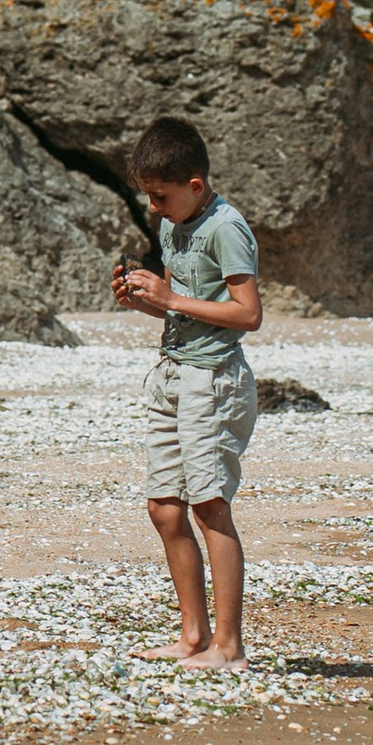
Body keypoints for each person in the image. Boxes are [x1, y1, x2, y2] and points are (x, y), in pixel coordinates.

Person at [112, 113, 262, 667]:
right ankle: (193, 637)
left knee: (209, 506)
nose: (153, 207)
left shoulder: (227, 227)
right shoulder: (172, 225)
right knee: (164, 509)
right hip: (172, 373)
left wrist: (171, 299)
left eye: (160, 196)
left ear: (194, 186)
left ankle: (229, 646)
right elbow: (184, 302)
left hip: (214, 380)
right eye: (148, 196)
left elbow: (248, 314)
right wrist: (146, 300)